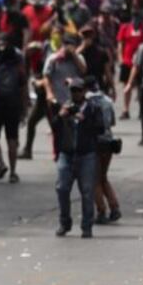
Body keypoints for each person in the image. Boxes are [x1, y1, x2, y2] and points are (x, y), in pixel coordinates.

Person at [52, 78, 104, 238]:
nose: (76, 94)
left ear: (84, 92)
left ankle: (87, 226)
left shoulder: (93, 108)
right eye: (73, 91)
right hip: (66, 154)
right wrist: (61, 116)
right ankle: (64, 222)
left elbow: (100, 129)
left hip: (86, 155)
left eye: (78, 90)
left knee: (87, 191)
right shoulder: (66, 107)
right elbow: (54, 127)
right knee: (62, 188)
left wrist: (85, 120)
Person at [0, 32, 29, 182]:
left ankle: (2, 164)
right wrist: (24, 108)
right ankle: (13, 172)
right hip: (12, 103)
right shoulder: (18, 55)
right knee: (12, 138)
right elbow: (23, 82)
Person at [86, 76, 120, 224]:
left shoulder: (87, 102)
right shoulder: (107, 100)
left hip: (95, 143)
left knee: (94, 179)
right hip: (109, 142)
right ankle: (114, 207)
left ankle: (101, 211)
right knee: (103, 176)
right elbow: (112, 122)